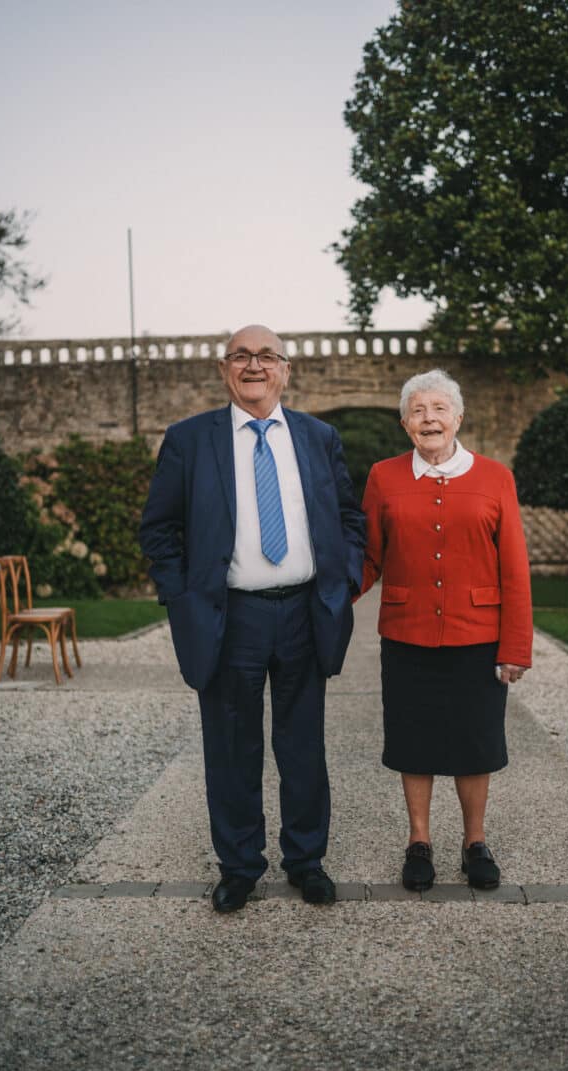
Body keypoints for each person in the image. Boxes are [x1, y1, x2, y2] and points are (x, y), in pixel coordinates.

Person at [140, 325, 365, 912]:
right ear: (223, 370)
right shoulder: (190, 440)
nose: (254, 365)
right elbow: (159, 528)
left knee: (303, 747)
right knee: (231, 747)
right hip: (228, 616)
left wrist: (343, 585)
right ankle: (239, 866)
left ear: (286, 370)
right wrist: (181, 595)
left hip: (302, 611)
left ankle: (306, 861)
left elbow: (349, 518)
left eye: (266, 355)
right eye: (241, 356)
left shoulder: (318, 437)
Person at [359, 369, 532, 891]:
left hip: (477, 637)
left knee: (474, 742)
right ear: (405, 423)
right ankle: (419, 843)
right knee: (414, 742)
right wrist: (320, 602)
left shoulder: (496, 477)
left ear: (458, 417)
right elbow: (368, 556)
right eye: (417, 410)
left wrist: (515, 646)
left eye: (438, 409)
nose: (428, 419)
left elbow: (514, 568)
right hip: (407, 635)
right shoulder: (383, 477)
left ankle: (474, 842)